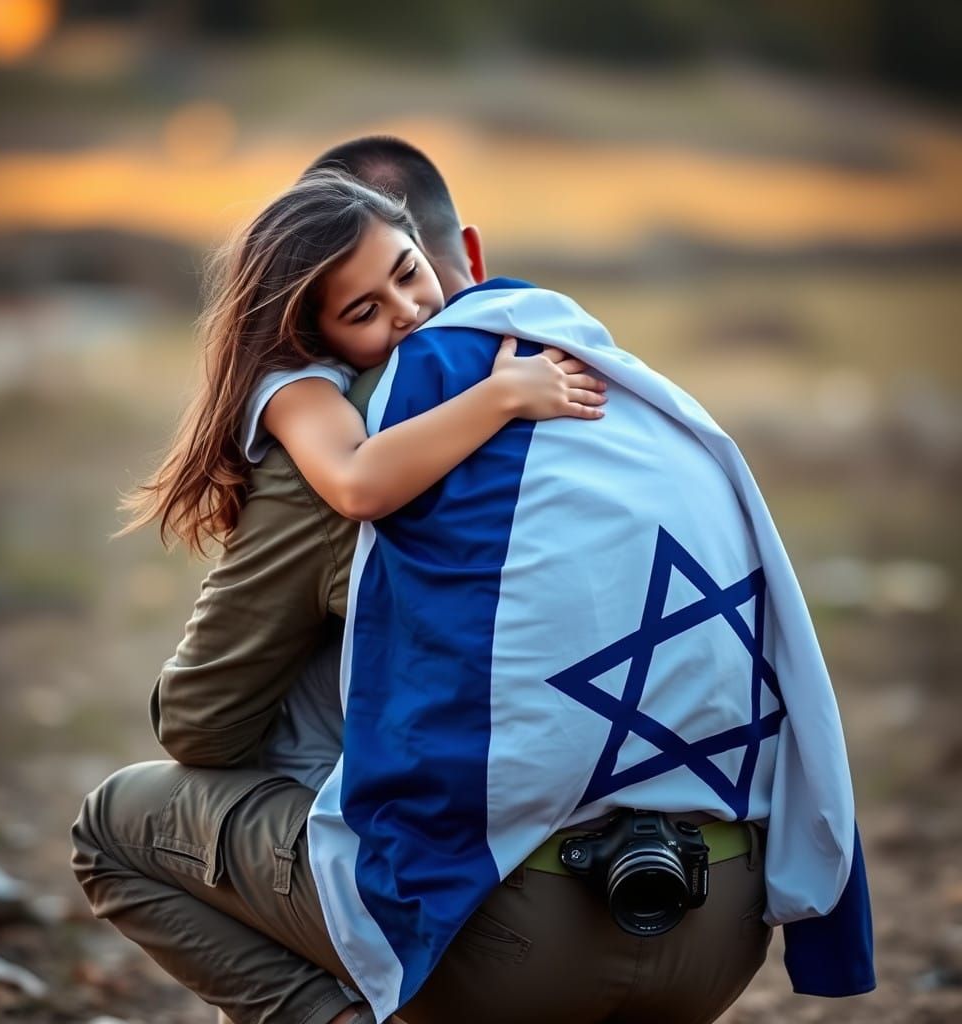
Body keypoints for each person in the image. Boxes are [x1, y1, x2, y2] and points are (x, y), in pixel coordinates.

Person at [72, 137, 873, 1024]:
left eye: (408, 279)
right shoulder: (623, 396)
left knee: (115, 828)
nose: (410, 321)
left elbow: (204, 724)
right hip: (724, 925)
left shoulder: (370, 419)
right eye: (366, 311)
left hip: (510, 947)